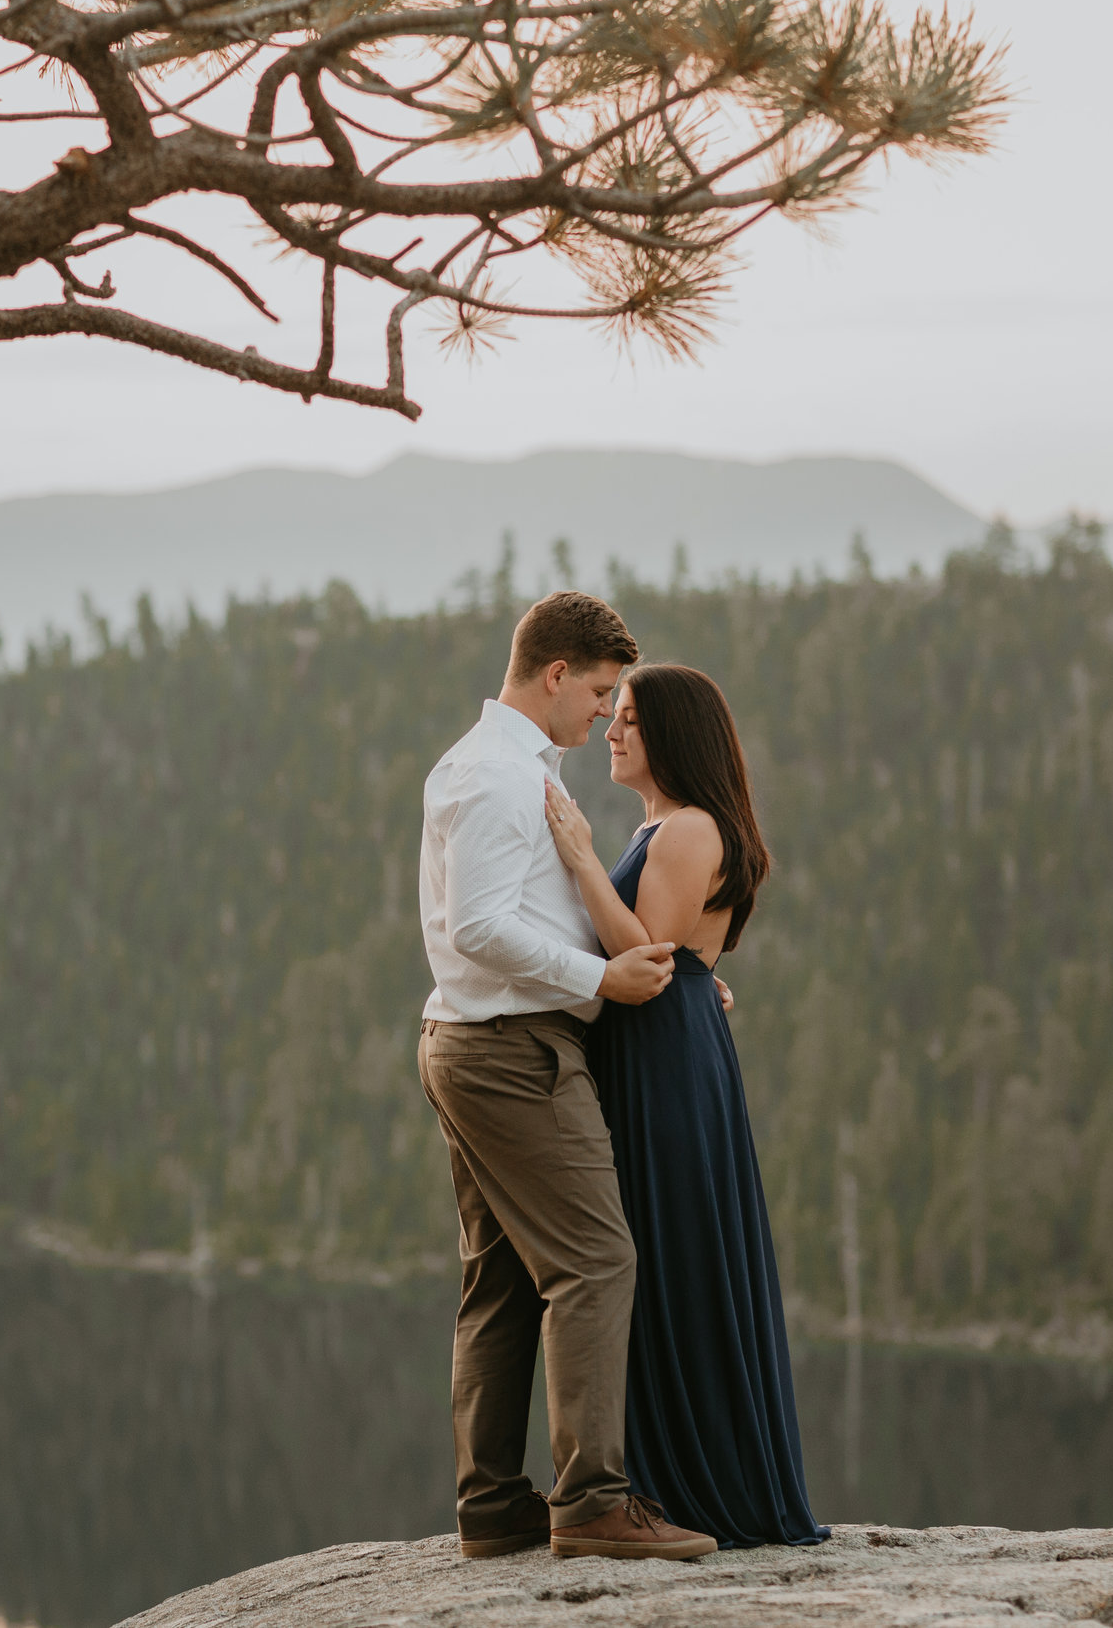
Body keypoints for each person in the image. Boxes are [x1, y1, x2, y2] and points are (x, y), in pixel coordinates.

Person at [415, 591, 718, 1563]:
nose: (602, 712)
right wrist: (602, 978)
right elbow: (478, 928)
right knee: (596, 1259)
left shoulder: (491, 766)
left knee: (501, 1279)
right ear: (553, 674)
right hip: (513, 1049)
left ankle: (492, 1503)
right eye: (595, 691)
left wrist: (686, 975)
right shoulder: (499, 778)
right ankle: (590, 1499)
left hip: (476, 1041)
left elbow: (519, 912)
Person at [542, 662, 827, 1549]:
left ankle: (690, 1488)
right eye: (612, 713)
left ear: (672, 734)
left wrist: (581, 857)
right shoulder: (667, 826)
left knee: (671, 1255)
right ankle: (660, 1479)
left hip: (661, 1062)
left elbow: (649, 960)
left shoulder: (688, 829)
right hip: (665, 1049)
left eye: (627, 718)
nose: (612, 730)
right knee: (658, 1255)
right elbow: (678, 964)